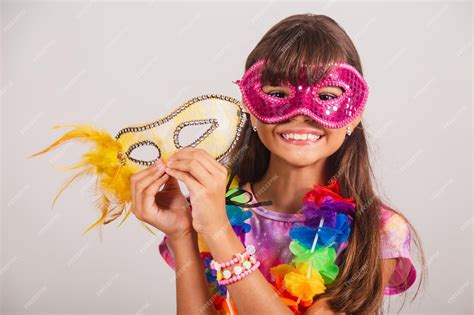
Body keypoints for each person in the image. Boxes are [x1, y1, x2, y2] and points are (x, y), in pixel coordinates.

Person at [130, 13, 425, 314]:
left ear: (355, 113)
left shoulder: (378, 230)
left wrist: (219, 232)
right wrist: (183, 234)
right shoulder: (208, 208)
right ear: (251, 107)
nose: (301, 113)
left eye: (326, 96)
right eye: (277, 94)